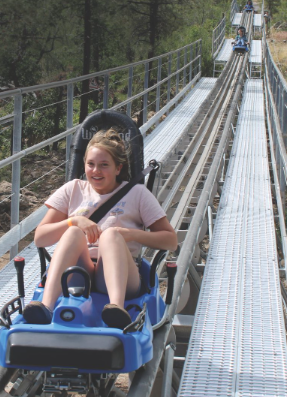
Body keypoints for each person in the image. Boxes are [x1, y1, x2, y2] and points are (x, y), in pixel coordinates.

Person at [24, 129, 178, 328]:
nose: (95, 171)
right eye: (91, 164)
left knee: (112, 235)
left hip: (121, 275)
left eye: (104, 165)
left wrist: (129, 235)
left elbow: (170, 240)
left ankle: (116, 307)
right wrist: (74, 221)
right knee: (72, 231)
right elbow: (40, 238)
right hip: (80, 272)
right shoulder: (73, 189)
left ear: (117, 168)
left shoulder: (137, 194)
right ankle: (46, 307)